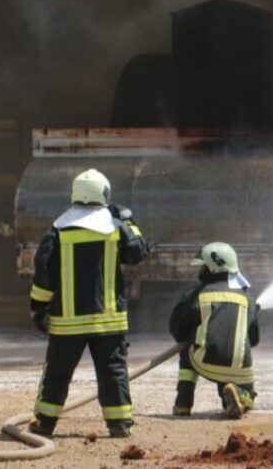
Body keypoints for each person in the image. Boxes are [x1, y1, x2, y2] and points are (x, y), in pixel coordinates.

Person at [28, 168, 149, 438]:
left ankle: (44, 422)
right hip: (108, 320)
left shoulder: (57, 231)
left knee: (57, 373)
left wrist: (38, 307)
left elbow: (43, 274)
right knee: (112, 372)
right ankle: (119, 424)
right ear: (104, 194)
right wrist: (129, 221)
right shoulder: (115, 227)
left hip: (67, 323)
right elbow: (138, 252)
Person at [169, 242, 259, 419]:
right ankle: (239, 395)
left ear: (213, 267)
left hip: (205, 363)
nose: (200, 270)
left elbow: (178, 332)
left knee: (188, 349)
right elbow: (254, 340)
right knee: (247, 394)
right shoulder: (248, 298)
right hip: (241, 369)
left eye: (203, 266)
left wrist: (194, 332)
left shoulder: (195, 295)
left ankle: (183, 403)